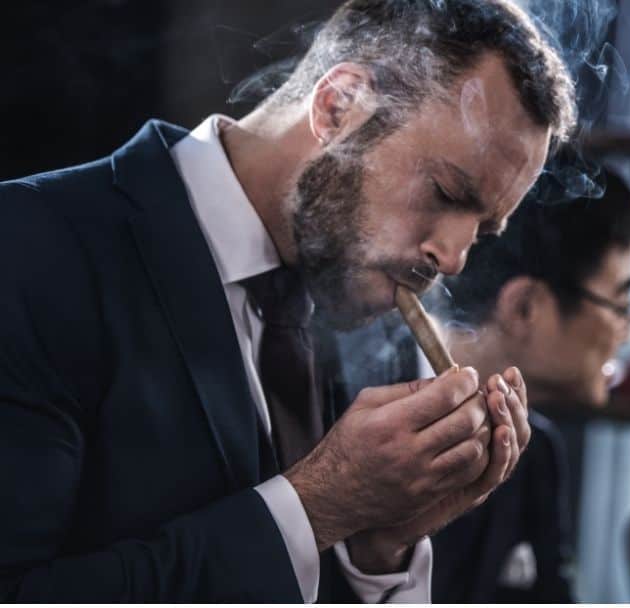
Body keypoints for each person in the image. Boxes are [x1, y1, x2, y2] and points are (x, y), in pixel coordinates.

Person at [0, 0, 576, 601]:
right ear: (339, 106)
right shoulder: (32, 247)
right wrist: (320, 505)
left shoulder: (368, 323)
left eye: (483, 231)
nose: (455, 256)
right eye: (446, 192)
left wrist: (380, 545)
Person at [418, 167, 630, 601]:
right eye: (619, 305)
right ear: (524, 307)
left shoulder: (537, 455)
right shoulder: (373, 417)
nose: (627, 332)